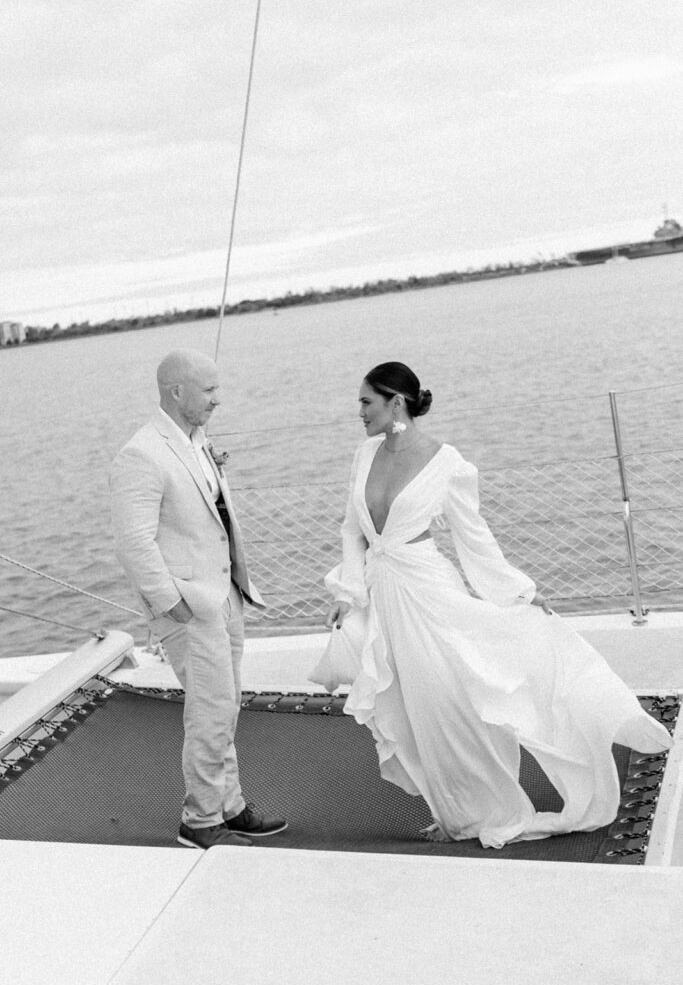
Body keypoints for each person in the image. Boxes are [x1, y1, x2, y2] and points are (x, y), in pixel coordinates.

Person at [311, 361, 671, 847]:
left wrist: (518, 592)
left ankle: (489, 811)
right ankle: (455, 815)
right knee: (416, 714)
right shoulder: (365, 454)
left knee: (452, 706)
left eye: (366, 402)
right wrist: (347, 595)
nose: (359, 412)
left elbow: (474, 539)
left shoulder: (447, 463)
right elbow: (352, 530)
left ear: (396, 402)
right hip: (385, 598)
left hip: (430, 593)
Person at [110, 348, 287, 849]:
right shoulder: (141, 455)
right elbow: (133, 543)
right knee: (208, 711)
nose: (218, 400)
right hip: (188, 606)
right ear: (176, 391)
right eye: (209, 391)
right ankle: (200, 820)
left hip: (224, 595)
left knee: (225, 706)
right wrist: (173, 605)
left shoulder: (196, 441)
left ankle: (229, 806)